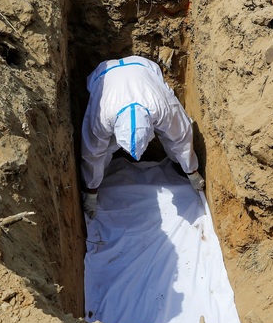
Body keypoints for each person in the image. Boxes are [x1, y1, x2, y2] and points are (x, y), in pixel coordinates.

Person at [81, 55, 205, 218]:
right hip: (102, 75)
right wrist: (91, 191)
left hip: (144, 67)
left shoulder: (163, 109)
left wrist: (192, 171)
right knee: (103, 149)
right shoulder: (101, 117)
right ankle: (100, 177)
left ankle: (179, 166)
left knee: (171, 135)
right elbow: (93, 154)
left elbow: (181, 137)